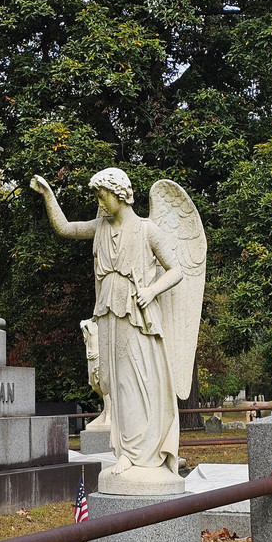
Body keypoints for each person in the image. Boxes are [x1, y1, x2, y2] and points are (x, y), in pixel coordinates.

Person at [30, 168, 183, 481]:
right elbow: (66, 228)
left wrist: (151, 290)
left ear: (120, 193)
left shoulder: (146, 229)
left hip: (138, 316)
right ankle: (127, 453)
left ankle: (144, 452)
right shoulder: (101, 227)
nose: (99, 202)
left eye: (102, 195)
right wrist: (48, 196)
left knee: (138, 381)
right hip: (109, 313)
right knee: (116, 383)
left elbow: (176, 270)